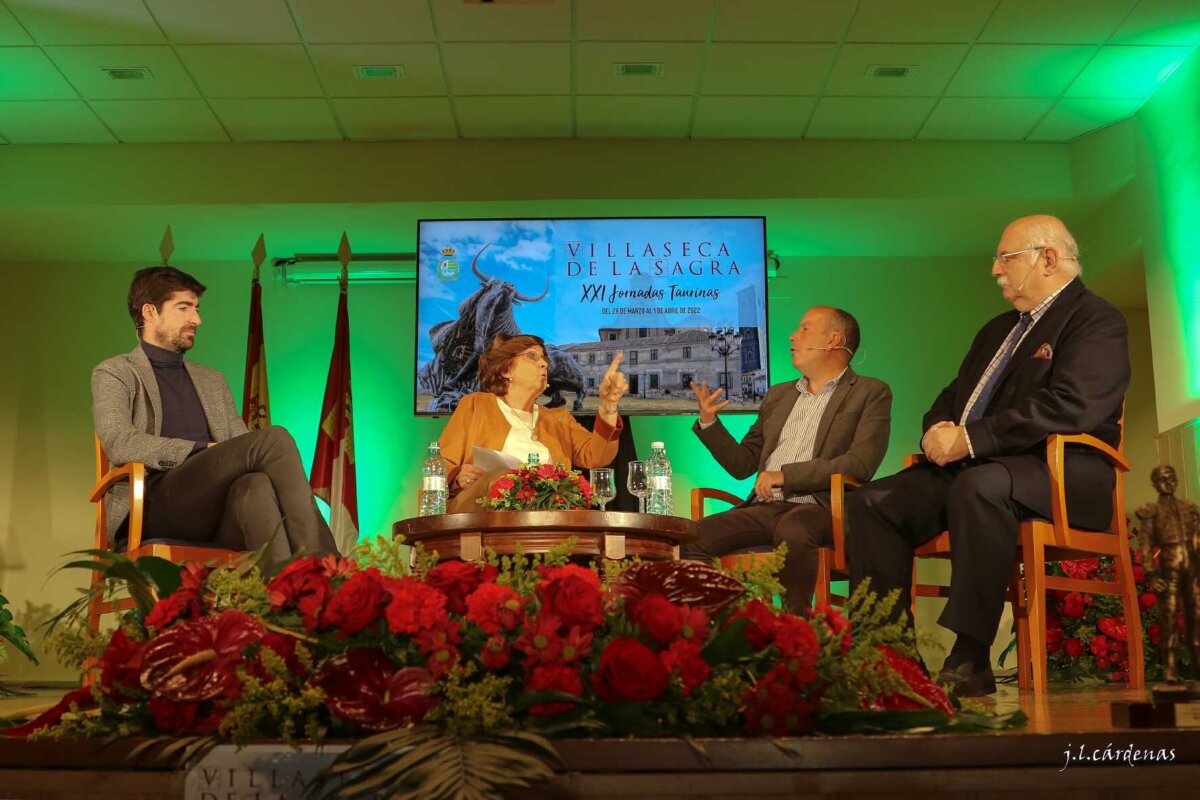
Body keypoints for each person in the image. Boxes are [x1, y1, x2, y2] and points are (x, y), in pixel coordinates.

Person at [847, 214, 1130, 697]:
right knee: (872, 502)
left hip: (1058, 471)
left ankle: (970, 653)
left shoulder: (1096, 320)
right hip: (978, 467)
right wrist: (938, 429)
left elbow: (1072, 406)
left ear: (1048, 259)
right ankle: (887, 655)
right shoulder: (998, 329)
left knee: (980, 487)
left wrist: (971, 439)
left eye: (1006, 258)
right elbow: (952, 395)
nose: (995, 270)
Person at [92, 266, 338, 575]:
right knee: (274, 438)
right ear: (150, 312)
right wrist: (200, 449)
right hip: (155, 505)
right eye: (184, 308)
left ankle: (287, 591)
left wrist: (219, 454)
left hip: (216, 513)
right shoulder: (116, 372)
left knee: (256, 485)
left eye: (197, 309)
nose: (197, 319)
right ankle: (328, 570)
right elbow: (120, 442)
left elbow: (244, 448)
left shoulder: (212, 381)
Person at [680, 306, 893, 614]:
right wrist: (709, 423)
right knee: (691, 538)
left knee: (794, 528)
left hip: (823, 508)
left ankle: (795, 627)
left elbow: (861, 463)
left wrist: (786, 476)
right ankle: (724, 627)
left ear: (833, 340)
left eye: (805, 329)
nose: (793, 336)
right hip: (765, 507)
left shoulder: (870, 392)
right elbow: (742, 464)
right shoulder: (778, 395)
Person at [439, 333, 628, 511]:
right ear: (505, 370)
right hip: (481, 514)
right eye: (532, 356)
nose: (544, 364)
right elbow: (440, 464)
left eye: (544, 359)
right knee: (499, 477)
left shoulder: (559, 418)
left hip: (546, 518)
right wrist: (457, 478)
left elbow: (597, 456)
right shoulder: (476, 404)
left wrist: (608, 407)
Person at [1135, 465, 1200, 684]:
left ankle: (1198, 665)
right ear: (1155, 484)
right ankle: (1170, 670)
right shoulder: (1151, 512)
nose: (1169, 482)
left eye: (1172, 478)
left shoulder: (1189, 508)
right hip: (1169, 566)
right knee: (1169, 614)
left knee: (1196, 613)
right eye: (1163, 479)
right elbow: (1145, 547)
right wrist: (1152, 575)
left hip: (1192, 564)